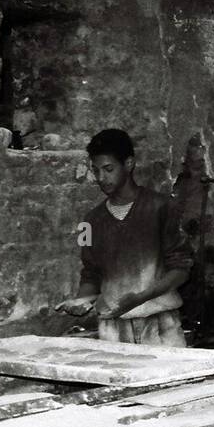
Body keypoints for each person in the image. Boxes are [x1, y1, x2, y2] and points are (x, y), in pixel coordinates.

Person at [58, 128, 193, 346]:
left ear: (129, 164)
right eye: (96, 170)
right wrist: (81, 300)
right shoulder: (91, 221)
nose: (101, 178)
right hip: (113, 330)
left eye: (108, 169)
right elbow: (91, 273)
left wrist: (140, 298)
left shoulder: (161, 207)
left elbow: (181, 270)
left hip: (159, 325)